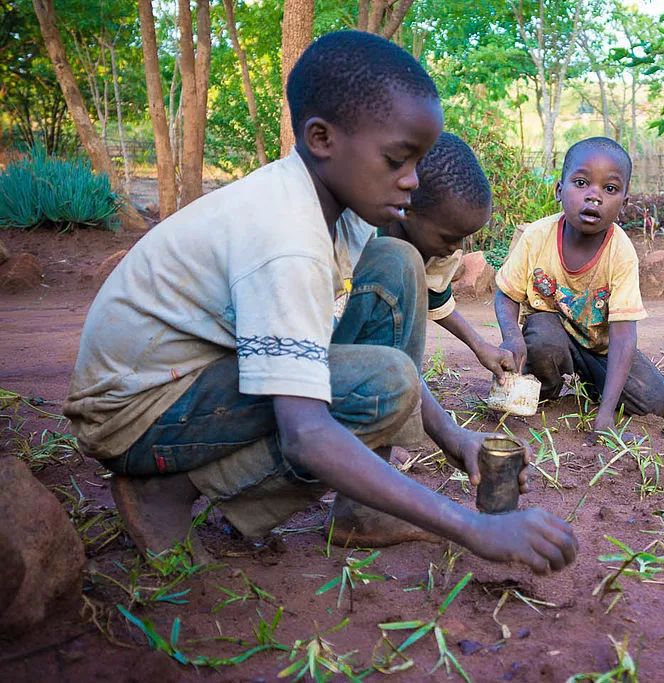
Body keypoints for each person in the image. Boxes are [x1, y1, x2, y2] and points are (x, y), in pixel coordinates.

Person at [63, 30, 576, 575]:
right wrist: (472, 527)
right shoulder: (288, 239)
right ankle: (168, 490)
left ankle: (363, 512)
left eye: (418, 162)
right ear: (322, 137)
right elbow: (306, 434)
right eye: (397, 160)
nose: (412, 182)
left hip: (194, 380)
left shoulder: (341, 212)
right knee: (385, 385)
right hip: (134, 413)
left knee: (398, 263)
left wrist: (453, 437)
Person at [493, 137, 664, 436]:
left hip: (600, 349)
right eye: (581, 183)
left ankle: (592, 384)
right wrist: (512, 338)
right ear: (559, 190)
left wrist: (606, 413)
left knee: (658, 401)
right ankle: (545, 387)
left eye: (610, 189)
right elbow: (506, 294)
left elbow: (623, 335)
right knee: (542, 337)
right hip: (551, 336)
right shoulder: (537, 236)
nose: (594, 196)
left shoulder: (621, 252)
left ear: (624, 203)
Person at [338, 132, 516, 382]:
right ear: (405, 208)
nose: (456, 247)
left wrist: (480, 346)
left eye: (463, 237)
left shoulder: (439, 245)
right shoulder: (354, 234)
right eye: (449, 237)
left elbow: (436, 300)